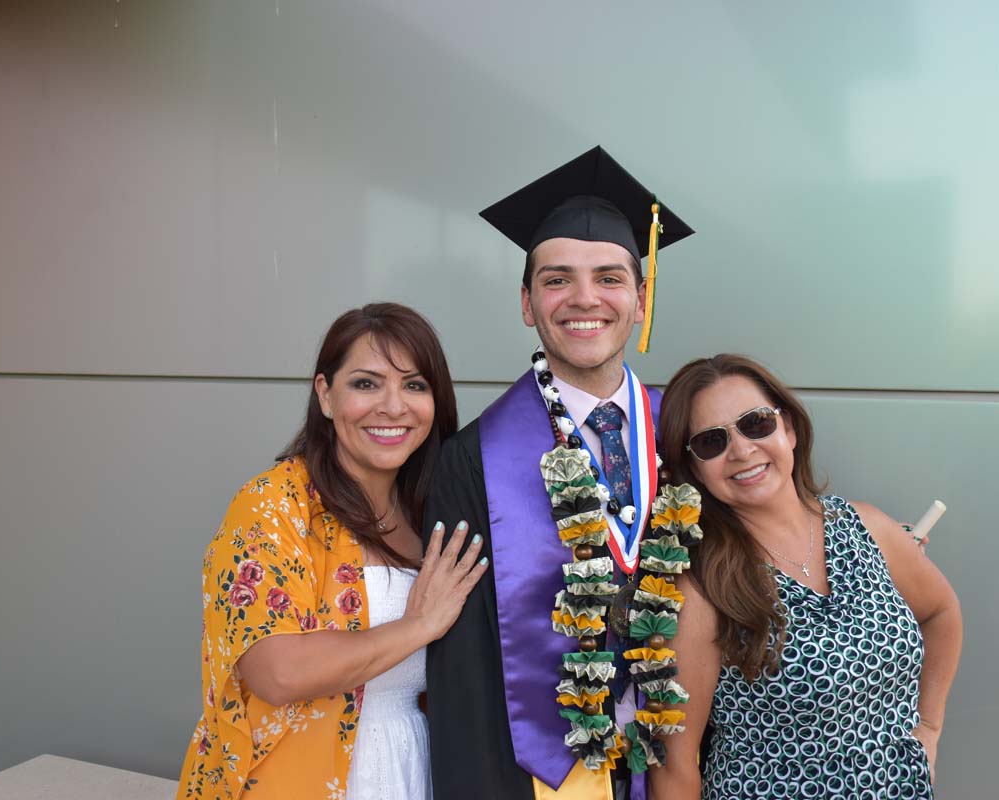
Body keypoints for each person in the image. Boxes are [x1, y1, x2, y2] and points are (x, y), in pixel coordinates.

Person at [425, 146, 695, 800]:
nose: (583, 299)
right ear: (527, 301)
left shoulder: (690, 436)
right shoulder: (471, 460)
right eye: (556, 279)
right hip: (539, 778)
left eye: (608, 277)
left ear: (640, 297)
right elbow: (464, 671)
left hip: (681, 758)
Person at [176, 302, 489, 800]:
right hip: (301, 779)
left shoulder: (434, 513)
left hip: (413, 768)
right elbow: (276, 672)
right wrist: (418, 625)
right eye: (365, 384)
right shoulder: (275, 505)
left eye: (414, 385)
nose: (392, 406)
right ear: (325, 394)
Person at [649, 354, 963, 800]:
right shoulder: (701, 588)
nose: (741, 450)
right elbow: (675, 768)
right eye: (711, 442)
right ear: (693, 469)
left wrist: (928, 726)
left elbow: (941, 612)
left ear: (789, 429)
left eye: (756, 423)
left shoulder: (866, 526)